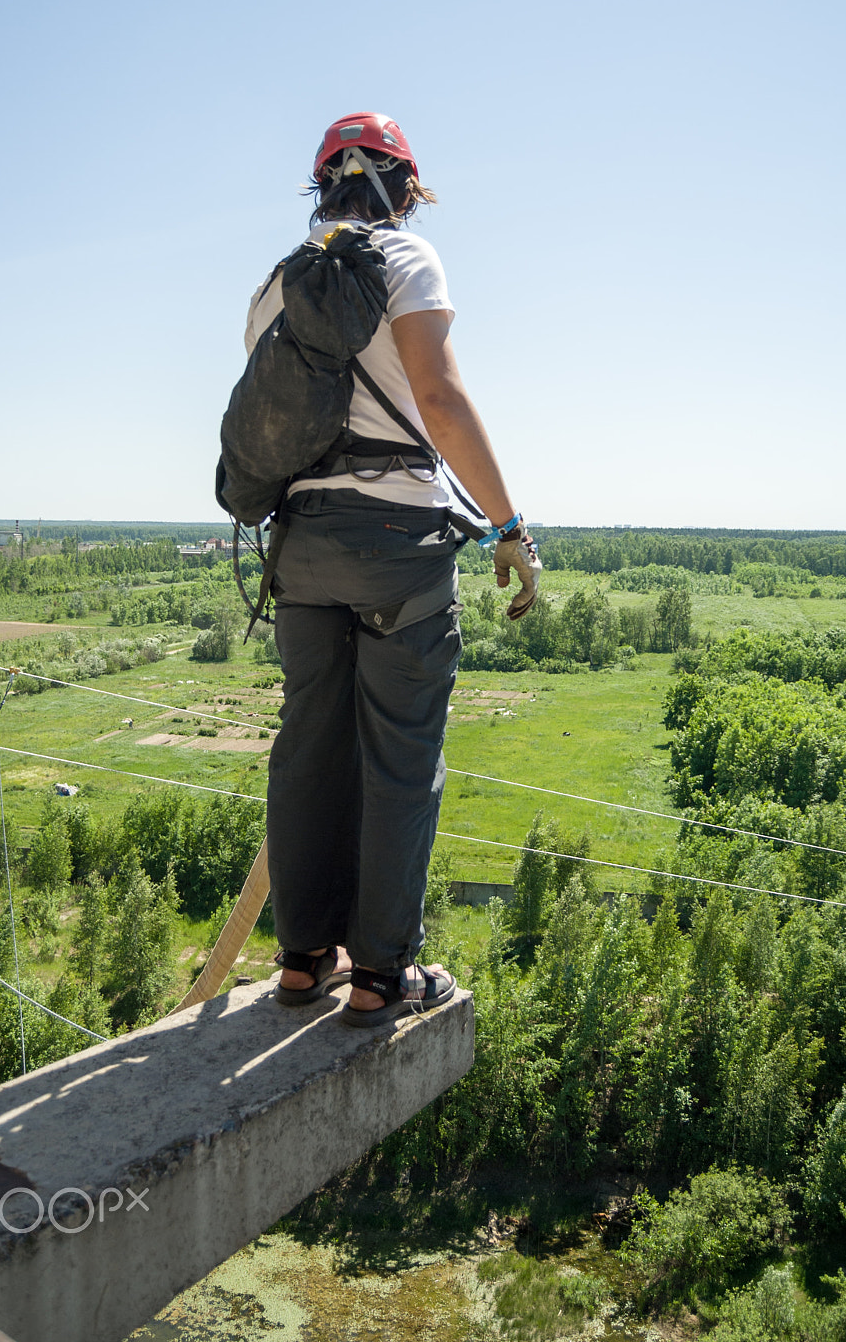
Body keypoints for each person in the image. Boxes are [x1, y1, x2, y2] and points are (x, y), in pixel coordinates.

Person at [247, 112, 541, 1026]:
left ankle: (302, 961)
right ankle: (381, 974)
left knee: (306, 753)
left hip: (300, 545)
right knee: (399, 762)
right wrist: (509, 526)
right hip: (394, 543)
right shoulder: (407, 257)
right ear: (404, 187)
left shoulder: (272, 289)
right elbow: (440, 401)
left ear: (321, 187)